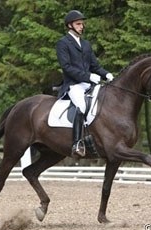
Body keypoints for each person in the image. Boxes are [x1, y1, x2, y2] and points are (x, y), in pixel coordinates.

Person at [56, 10, 114, 157]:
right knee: (82, 106)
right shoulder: (63, 43)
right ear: (70, 25)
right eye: (78, 24)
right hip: (73, 85)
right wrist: (88, 77)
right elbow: (67, 67)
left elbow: (95, 65)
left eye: (82, 24)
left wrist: (106, 74)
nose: (82, 26)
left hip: (89, 84)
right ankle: (77, 143)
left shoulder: (85, 44)